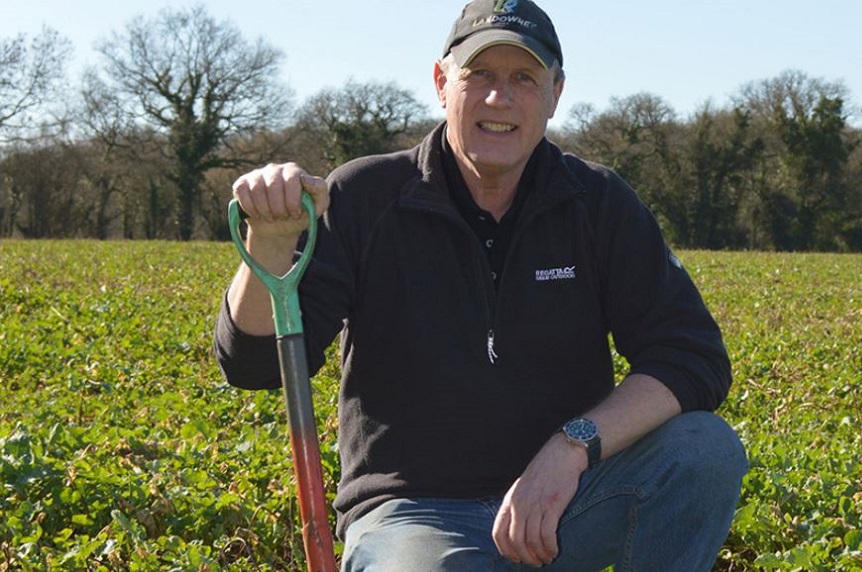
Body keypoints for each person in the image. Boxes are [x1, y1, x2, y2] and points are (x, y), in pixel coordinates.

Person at [215, 0, 748, 570]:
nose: (500, 98)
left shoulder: (598, 203)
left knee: (704, 451)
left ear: (555, 93)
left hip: (565, 504)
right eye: (480, 75)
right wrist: (269, 245)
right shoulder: (364, 196)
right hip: (414, 516)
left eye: (524, 77)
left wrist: (571, 448)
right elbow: (254, 366)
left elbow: (691, 357)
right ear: (442, 82)